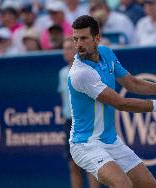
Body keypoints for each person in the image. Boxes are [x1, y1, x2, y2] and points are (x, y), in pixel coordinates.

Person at [68, 15, 156, 188]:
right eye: (75, 39)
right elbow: (120, 103)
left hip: (110, 140)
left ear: (97, 39)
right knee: (123, 185)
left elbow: (131, 83)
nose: (78, 44)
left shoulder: (106, 53)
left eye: (84, 38)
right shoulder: (81, 74)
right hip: (86, 144)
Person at [58, 37, 100, 188]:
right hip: (69, 123)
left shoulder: (86, 70)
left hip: (86, 122)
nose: (66, 51)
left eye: (69, 48)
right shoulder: (62, 73)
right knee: (73, 164)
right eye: (64, 48)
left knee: (91, 164)